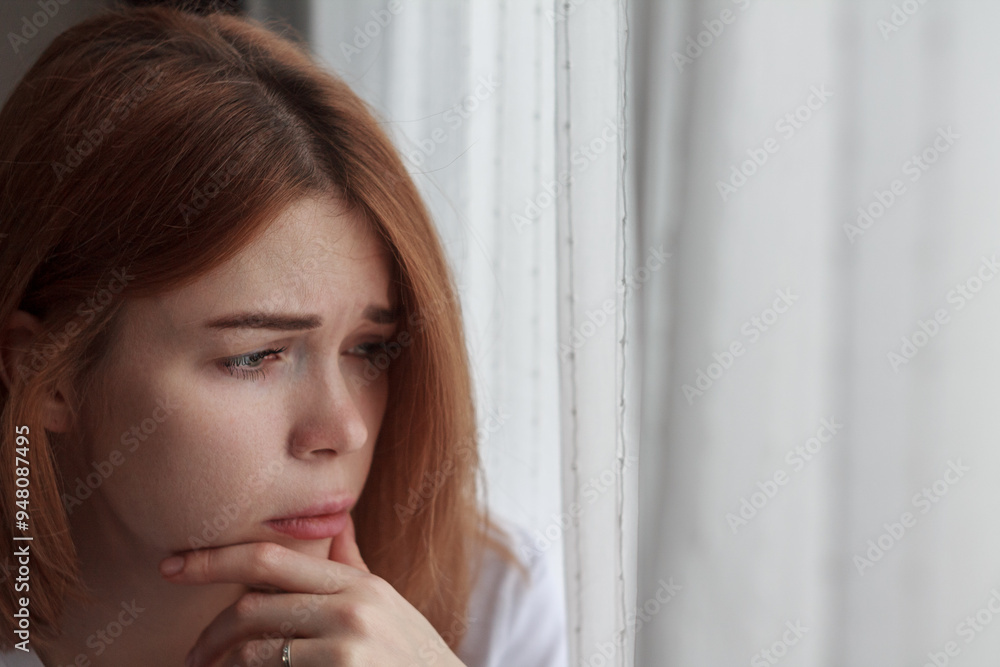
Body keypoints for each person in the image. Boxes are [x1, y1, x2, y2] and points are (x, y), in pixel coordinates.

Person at [0, 5, 567, 666]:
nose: (344, 428)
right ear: (47, 372)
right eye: (254, 356)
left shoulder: (494, 602)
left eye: (368, 349)